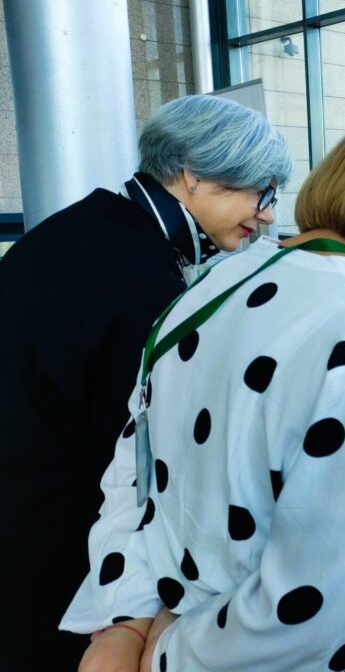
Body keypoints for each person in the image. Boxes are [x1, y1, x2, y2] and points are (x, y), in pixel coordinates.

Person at [61, 91, 345, 672]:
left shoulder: (212, 286)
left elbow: (137, 471)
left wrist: (124, 622)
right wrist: (171, 659)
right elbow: (312, 608)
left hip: (179, 624)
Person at [0, 94, 291, 671]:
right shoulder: (140, 275)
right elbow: (144, 449)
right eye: (258, 192)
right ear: (192, 175)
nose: (266, 215)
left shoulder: (86, 230)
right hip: (53, 552)